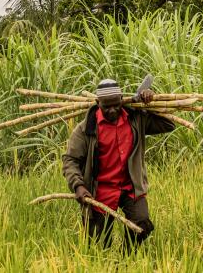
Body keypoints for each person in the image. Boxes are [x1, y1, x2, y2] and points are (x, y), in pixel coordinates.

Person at [62, 79, 175, 251]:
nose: (113, 110)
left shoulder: (135, 119)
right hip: (100, 191)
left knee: (142, 225)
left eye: (116, 104)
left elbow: (168, 124)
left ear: (122, 99)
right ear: (98, 103)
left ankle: (125, 257)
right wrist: (78, 186)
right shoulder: (86, 129)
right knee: (97, 245)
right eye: (106, 107)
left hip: (130, 187)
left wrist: (150, 103)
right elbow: (70, 160)